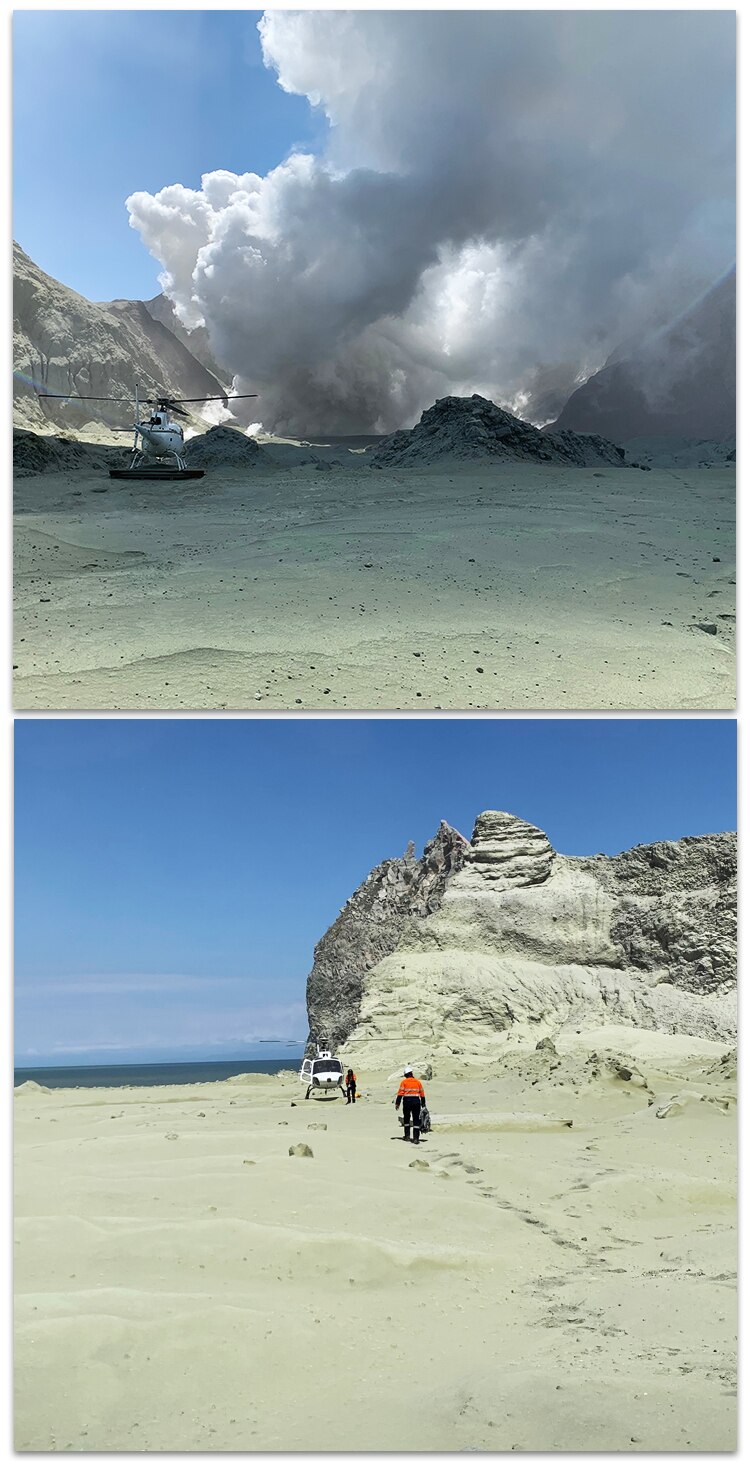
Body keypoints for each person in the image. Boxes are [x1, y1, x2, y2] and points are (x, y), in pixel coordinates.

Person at [395, 1067, 426, 1143]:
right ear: (411, 1074)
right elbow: (422, 1095)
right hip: (416, 1101)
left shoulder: (404, 1082)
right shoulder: (418, 1082)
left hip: (407, 1101)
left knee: (406, 1118)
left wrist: (397, 1104)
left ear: (406, 1075)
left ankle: (407, 1136)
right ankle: (416, 1138)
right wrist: (423, 1105)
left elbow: (400, 1094)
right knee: (416, 1119)